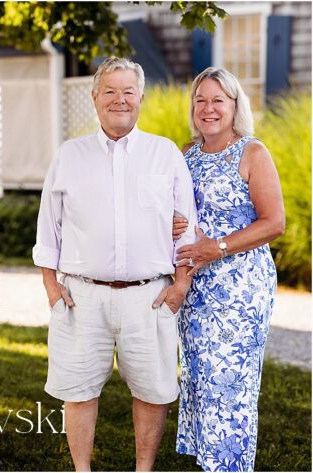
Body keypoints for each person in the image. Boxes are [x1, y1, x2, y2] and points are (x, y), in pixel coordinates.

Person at [33, 57, 199, 471]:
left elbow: (188, 229)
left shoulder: (164, 154)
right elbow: (47, 229)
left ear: (140, 98)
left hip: (150, 297)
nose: (119, 100)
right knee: (80, 390)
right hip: (81, 297)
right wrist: (52, 289)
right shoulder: (69, 155)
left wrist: (180, 287)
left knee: (152, 390)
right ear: (94, 97)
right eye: (109, 91)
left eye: (128, 92)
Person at [173, 67, 285, 472]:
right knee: (202, 382)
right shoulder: (186, 155)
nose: (208, 108)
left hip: (240, 291)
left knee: (230, 386)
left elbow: (274, 223)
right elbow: (180, 212)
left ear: (235, 106)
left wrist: (215, 248)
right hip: (195, 289)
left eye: (218, 100)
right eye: (201, 100)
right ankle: (209, 463)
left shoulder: (252, 152)